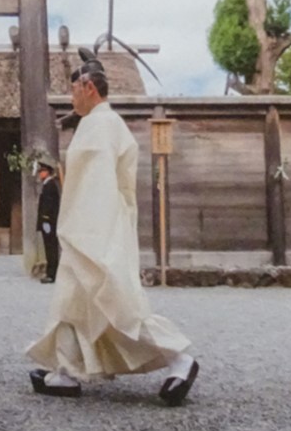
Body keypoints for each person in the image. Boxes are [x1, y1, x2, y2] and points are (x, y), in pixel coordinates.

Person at [25, 49, 199, 406]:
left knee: (116, 302)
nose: (71, 97)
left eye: (74, 90)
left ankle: (179, 357)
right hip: (88, 227)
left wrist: (84, 233)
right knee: (74, 301)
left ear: (88, 87)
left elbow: (97, 186)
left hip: (93, 228)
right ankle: (67, 371)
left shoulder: (101, 125)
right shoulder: (102, 124)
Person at [35, 156, 61, 284]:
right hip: (48, 222)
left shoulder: (50, 185)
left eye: (42, 171)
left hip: (49, 222)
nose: (40, 174)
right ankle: (51, 272)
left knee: (51, 248)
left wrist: (45, 220)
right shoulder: (48, 185)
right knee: (49, 248)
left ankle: (52, 274)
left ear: (48, 172)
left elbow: (48, 206)